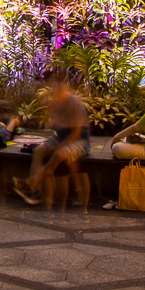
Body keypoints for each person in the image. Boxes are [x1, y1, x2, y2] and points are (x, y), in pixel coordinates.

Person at [13, 70, 89, 207]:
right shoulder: (56, 103)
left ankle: (32, 182)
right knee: (38, 151)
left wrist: (60, 145)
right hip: (61, 137)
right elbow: (55, 126)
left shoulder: (74, 102)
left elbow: (77, 133)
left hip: (79, 140)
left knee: (59, 154)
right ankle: (36, 191)